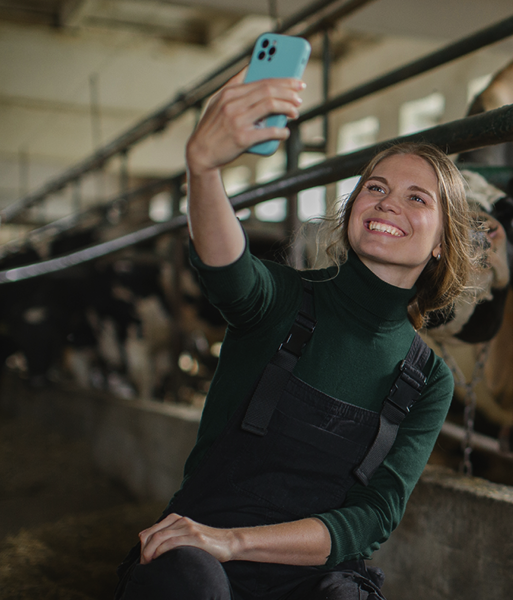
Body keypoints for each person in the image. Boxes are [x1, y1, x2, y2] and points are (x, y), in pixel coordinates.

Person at [115, 67, 478, 599]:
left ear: (443, 241)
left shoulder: (427, 379)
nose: (387, 202)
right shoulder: (282, 299)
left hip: (310, 575)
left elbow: (373, 517)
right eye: (375, 187)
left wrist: (235, 542)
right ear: (353, 208)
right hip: (198, 554)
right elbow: (227, 268)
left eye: (417, 198)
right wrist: (205, 169)